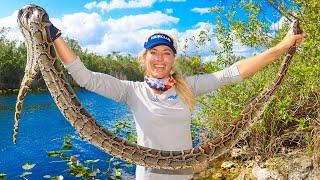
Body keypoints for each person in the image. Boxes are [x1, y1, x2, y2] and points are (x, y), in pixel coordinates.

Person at [46, 16, 305, 180]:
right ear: (144, 57)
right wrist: (56, 37)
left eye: (166, 53)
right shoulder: (131, 91)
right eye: (154, 52)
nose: (160, 58)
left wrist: (281, 48)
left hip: (186, 176)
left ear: (173, 59)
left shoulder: (188, 86)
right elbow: (85, 77)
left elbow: (232, 73)